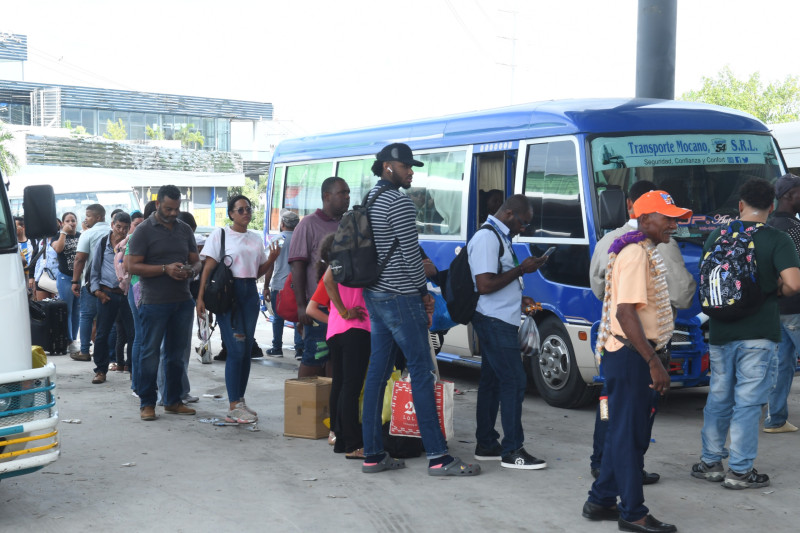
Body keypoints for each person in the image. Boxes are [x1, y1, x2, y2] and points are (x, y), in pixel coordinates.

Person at [360, 142, 480, 477]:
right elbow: (412, 257)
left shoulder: (370, 199)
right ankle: (439, 458)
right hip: (400, 296)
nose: (411, 171)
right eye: (406, 166)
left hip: (375, 295)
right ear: (387, 167)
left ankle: (372, 454)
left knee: (377, 374)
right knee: (423, 373)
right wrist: (422, 293)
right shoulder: (397, 201)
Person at [583, 190, 687, 533]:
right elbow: (625, 312)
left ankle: (600, 501)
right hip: (631, 356)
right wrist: (653, 362)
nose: (673, 225)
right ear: (644, 220)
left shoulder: (644, 249)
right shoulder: (635, 254)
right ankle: (632, 512)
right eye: (666, 218)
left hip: (631, 355)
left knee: (623, 432)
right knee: (629, 437)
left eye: (674, 218)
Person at [691, 178, 800, 489]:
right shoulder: (777, 239)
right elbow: (794, 284)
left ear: (740, 205)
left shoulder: (717, 235)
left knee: (719, 398)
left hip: (721, 332)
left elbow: (706, 278)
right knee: (749, 403)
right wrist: (772, 289)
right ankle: (739, 471)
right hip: (759, 335)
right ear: (771, 206)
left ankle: (710, 462)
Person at [468, 194, 549, 469]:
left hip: (501, 316)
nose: (523, 228)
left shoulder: (501, 237)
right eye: (523, 222)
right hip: (493, 321)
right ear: (510, 214)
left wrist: (518, 297)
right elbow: (485, 285)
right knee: (514, 381)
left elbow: (496, 282)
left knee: (492, 383)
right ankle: (513, 450)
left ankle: (487, 443)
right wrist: (521, 270)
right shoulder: (487, 238)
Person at [197, 195, 280, 424]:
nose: (246, 212)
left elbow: (257, 271)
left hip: (249, 294)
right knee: (235, 348)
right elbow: (208, 267)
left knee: (246, 351)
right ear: (231, 213)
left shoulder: (254, 239)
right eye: (241, 209)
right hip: (228, 296)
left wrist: (272, 259)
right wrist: (200, 297)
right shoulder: (221, 235)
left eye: (248, 208)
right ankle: (233, 405)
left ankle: (240, 401)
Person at [128, 185, 200, 421]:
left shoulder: (184, 229)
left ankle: (173, 400)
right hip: (154, 302)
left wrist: (190, 270)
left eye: (177, 209)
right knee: (150, 353)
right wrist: (163, 269)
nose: (173, 213)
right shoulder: (143, 231)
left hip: (182, 300)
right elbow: (131, 266)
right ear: (157, 204)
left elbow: (196, 261)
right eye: (168, 208)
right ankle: (147, 402)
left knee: (176, 354)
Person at [287, 176, 350, 377]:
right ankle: (302, 404)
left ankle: (328, 405)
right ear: (326, 196)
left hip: (342, 306)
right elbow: (297, 266)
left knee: (335, 359)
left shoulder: (349, 224)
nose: (347, 197)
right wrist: (301, 306)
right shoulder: (308, 224)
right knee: (314, 357)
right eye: (342, 193)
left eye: (348, 193)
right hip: (318, 306)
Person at [764, 173, 800, 434]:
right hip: (796, 308)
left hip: (774, 309)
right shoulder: (794, 229)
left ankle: (775, 420)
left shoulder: (767, 226)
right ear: (789, 195)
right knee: (782, 365)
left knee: (782, 365)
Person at [87, 211, 133, 384]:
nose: (121, 230)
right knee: (102, 334)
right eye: (118, 226)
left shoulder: (131, 244)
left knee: (133, 335)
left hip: (127, 295)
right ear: (112, 225)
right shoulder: (102, 243)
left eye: (125, 228)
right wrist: (97, 291)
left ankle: (133, 371)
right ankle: (100, 370)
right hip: (107, 294)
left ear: (129, 229)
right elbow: (94, 270)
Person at [70, 204, 110, 361]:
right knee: (111, 319)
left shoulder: (88, 234)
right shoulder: (114, 232)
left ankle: (85, 351)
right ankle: (111, 353)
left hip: (91, 282)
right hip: (112, 283)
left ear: (98, 217)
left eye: (88, 216)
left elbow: (80, 259)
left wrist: (75, 281)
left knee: (86, 316)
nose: (85, 219)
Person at [266, 208, 303, 358]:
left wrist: (266, 286)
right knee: (298, 316)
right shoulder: (301, 239)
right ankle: (300, 349)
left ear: (282, 224)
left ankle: (277, 348)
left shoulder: (277, 240)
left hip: (279, 285)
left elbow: (270, 265)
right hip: (298, 285)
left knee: (278, 318)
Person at [53, 211, 82, 354]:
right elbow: (58, 249)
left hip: (80, 277)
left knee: (77, 310)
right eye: (67, 220)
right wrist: (63, 233)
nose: (71, 223)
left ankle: (74, 339)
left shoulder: (81, 236)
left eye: (73, 220)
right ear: (63, 223)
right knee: (67, 310)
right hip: (65, 277)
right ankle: (69, 340)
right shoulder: (57, 236)